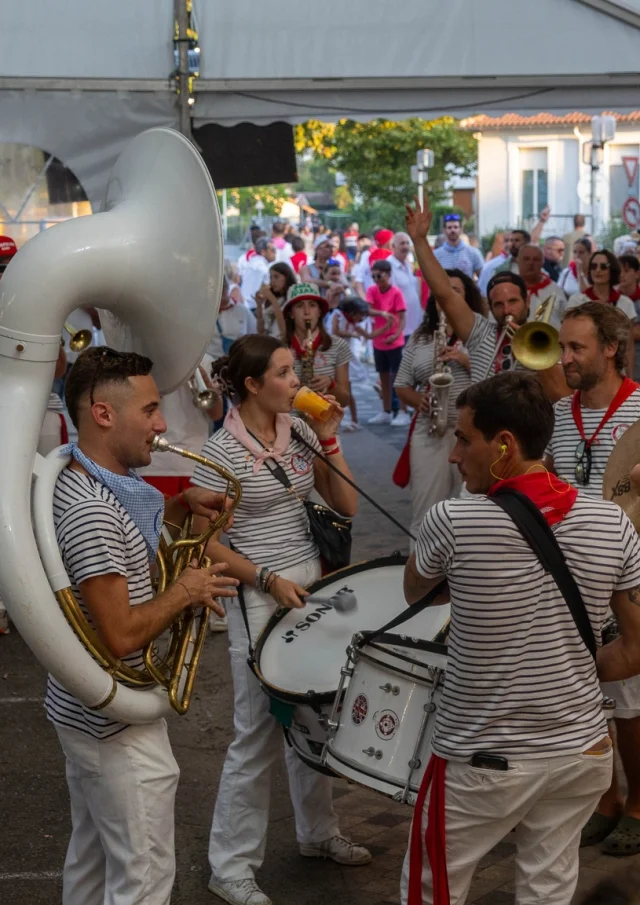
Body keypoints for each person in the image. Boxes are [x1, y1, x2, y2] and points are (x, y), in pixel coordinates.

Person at [401, 370, 640, 905]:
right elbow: (636, 649)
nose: (453, 456)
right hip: (582, 754)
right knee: (549, 890)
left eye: (464, 439)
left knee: (431, 890)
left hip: (481, 761)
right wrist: (570, 667)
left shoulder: (451, 520)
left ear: (504, 444)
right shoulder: (611, 522)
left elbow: (415, 590)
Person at [48, 346, 238, 905]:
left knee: (92, 861)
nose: (161, 426)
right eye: (151, 410)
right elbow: (123, 634)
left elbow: (129, 547)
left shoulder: (94, 479)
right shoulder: (92, 510)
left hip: (86, 711)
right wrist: (187, 590)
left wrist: (179, 508)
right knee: (144, 877)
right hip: (116, 724)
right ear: (103, 415)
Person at [189, 335, 371, 905]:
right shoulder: (219, 452)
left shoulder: (303, 432)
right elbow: (206, 543)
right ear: (252, 384)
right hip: (258, 593)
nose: (298, 382)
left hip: (311, 582)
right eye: (286, 373)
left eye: (294, 372)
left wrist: (334, 435)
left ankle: (317, 832)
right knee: (259, 729)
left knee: (317, 708)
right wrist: (266, 578)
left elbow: (348, 505)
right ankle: (231, 865)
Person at [543, 303, 640, 855]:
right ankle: (604, 800)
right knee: (590, 695)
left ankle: (639, 803)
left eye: (577, 348)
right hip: (574, 571)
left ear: (611, 347)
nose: (566, 358)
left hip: (631, 573)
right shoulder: (558, 412)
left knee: (631, 702)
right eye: (562, 347)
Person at [406, 195, 569, 401]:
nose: (507, 310)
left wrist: (537, 353)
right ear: (490, 307)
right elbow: (445, 294)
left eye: (513, 302)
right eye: (498, 304)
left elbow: (563, 396)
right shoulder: (479, 332)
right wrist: (419, 241)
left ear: (527, 301)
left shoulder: (544, 339)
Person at [394, 270, 485, 537]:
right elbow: (401, 384)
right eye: (441, 293)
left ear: (467, 298)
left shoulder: (481, 334)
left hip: (473, 433)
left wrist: (464, 359)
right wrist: (418, 400)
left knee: (471, 508)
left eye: (455, 291)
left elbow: (496, 377)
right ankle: (422, 571)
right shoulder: (421, 337)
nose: (446, 298)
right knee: (426, 511)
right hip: (431, 429)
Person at [566, 250, 637, 375]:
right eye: (593, 266)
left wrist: (630, 378)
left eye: (604, 266)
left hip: (617, 372)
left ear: (612, 270)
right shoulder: (577, 300)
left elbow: (629, 347)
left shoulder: (625, 303)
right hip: (585, 370)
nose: (598, 270)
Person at [281, 282, 351, 407]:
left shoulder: (338, 345)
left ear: (319, 312)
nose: (307, 312)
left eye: (312, 305)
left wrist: (331, 384)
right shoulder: (278, 348)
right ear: (291, 314)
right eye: (299, 306)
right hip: (287, 423)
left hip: (324, 421)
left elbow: (344, 401)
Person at [365, 259, 409, 426]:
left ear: (389, 275)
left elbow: (402, 318)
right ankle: (387, 410)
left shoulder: (396, 292)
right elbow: (367, 310)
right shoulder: (372, 290)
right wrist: (382, 313)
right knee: (383, 377)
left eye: (379, 275)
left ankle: (403, 410)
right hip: (379, 341)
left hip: (394, 341)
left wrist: (397, 334)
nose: (376, 279)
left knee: (398, 378)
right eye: (374, 276)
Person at [517, 243, 567, 329]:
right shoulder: (509, 289)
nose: (531, 263)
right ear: (518, 261)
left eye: (536, 259)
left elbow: (565, 320)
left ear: (542, 263)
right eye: (526, 259)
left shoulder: (556, 290)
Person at [208, 278, 257, 359]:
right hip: (211, 362)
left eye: (223, 287)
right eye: (217, 287)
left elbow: (254, 335)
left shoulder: (242, 310)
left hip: (238, 361)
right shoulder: (205, 312)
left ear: (228, 288)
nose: (221, 290)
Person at [390, 231, 424, 339]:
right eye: (402, 243)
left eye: (407, 243)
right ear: (393, 246)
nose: (405, 246)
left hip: (414, 324)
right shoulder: (388, 267)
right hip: (400, 328)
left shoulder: (408, 266)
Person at [433, 214, 484, 279]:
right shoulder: (436, 255)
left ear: (461, 229)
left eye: (456, 227)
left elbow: (483, 278)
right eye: (449, 227)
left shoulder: (473, 253)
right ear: (444, 230)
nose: (453, 230)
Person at [254, 263, 296, 340]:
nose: (272, 281)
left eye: (276, 277)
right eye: (271, 278)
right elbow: (261, 331)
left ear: (287, 277)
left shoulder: (293, 298)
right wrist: (259, 306)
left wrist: (272, 299)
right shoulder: (276, 299)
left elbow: (284, 331)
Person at [241, 239, 276, 310]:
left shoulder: (253, 262)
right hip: (254, 307)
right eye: (272, 250)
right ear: (263, 252)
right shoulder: (262, 268)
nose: (275, 252)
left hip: (246, 305)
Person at [478, 231, 512, 296]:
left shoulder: (525, 264)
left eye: (513, 240)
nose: (510, 244)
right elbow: (483, 292)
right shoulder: (490, 266)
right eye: (506, 241)